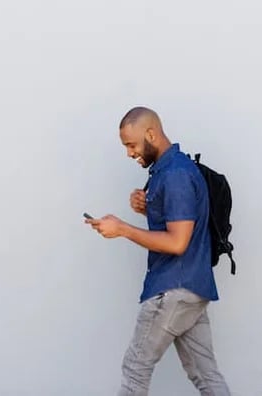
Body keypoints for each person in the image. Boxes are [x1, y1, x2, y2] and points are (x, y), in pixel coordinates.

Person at [85, 106, 231, 396]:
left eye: (131, 144)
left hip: (172, 288)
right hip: (193, 288)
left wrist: (123, 229)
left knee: (135, 370)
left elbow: (178, 243)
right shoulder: (171, 169)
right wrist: (148, 207)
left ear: (151, 133)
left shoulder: (175, 174)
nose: (129, 153)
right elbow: (180, 227)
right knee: (206, 376)